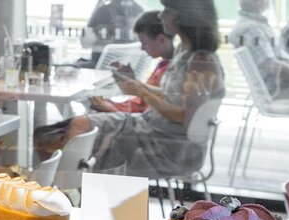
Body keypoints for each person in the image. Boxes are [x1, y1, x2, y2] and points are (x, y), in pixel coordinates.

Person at [44, 0, 224, 177]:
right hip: (150, 130)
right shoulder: (184, 52)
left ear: (184, 17)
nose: (161, 15)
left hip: (168, 149)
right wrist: (135, 83)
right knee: (74, 127)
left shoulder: (201, 62)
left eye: (166, 10)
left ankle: (69, 190)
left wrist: (141, 92)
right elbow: (172, 96)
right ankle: (70, 190)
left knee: (77, 133)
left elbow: (185, 117)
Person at [90, 11, 174, 113]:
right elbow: (144, 98)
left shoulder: (171, 70)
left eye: (144, 43)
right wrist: (131, 79)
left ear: (161, 40)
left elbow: (151, 112)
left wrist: (112, 110)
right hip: (132, 109)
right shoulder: (162, 64)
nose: (142, 48)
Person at [82, 0, 145, 67]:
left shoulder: (102, 11)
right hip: (128, 67)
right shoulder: (139, 10)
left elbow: (85, 44)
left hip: (101, 65)